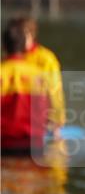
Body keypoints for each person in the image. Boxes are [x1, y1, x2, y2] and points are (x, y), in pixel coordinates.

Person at [2, 17, 64, 153]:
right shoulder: (35, 74)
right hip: (30, 137)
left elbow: (55, 93)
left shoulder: (46, 59)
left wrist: (56, 125)